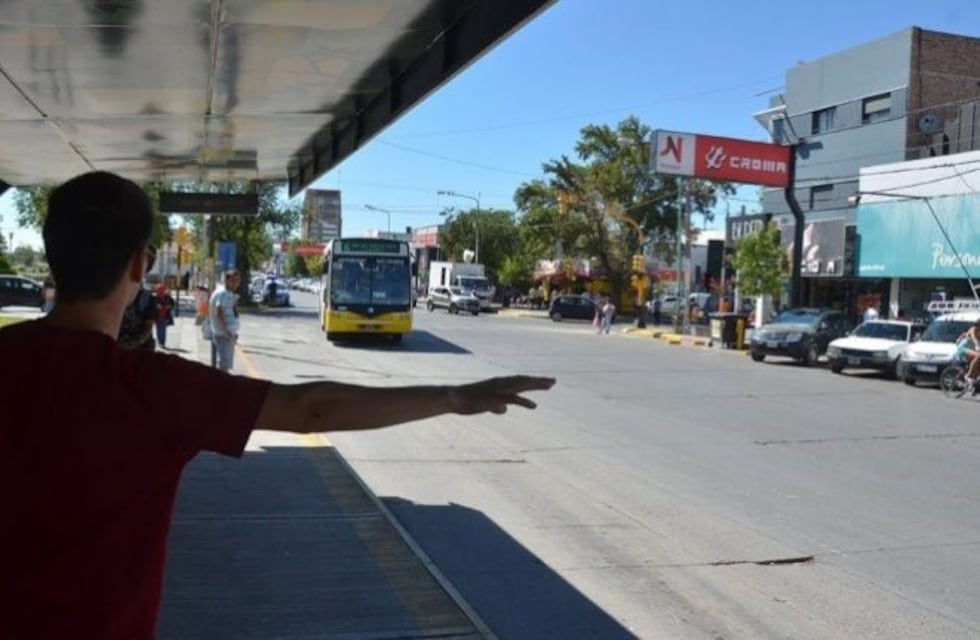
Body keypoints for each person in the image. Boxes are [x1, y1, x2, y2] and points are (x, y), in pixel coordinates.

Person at [0, 171, 554, 639]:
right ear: (140, 265)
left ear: (52, 252)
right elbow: (307, 409)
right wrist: (456, 397)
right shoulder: (148, 387)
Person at [209, 269, 241, 371]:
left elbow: (232, 312)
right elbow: (219, 313)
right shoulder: (222, 293)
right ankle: (221, 385)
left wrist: (233, 332)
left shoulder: (228, 292)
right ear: (227, 281)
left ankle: (223, 383)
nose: (236, 283)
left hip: (227, 333)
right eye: (233, 280)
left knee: (226, 362)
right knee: (224, 362)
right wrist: (226, 331)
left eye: (238, 280)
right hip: (222, 334)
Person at [118, 278, 157, 350]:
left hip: (139, 348)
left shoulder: (146, 298)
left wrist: (138, 341)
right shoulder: (112, 297)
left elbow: (148, 325)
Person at [956, 318, 980, 386]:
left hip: (971, 349)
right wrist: (977, 346)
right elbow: (974, 338)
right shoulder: (973, 329)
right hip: (963, 348)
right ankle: (968, 376)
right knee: (978, 355)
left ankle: (974, 384)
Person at [154, 284, 176, 349]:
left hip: (165, 317)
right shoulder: (155, 298)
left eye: (162, 290)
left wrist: (169, 306)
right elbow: (152, 305)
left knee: (163, 330)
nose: (161, 291)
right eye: (159, 290)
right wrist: (156, 307)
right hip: (157, 317)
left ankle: (162, 343)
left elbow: (172, 303)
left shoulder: (167, 297)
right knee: (159, 330)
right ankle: (160, 342)